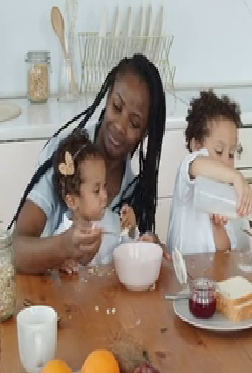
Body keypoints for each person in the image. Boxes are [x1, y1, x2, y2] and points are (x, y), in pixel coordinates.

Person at [9, 53, 166, 274]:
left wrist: (149, 245)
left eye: (134, 123)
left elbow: (127, 248)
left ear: (145, 132)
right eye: (117, 107)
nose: (120, 126)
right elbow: (16, 251)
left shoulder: (133, 187)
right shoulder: (66, 156)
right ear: (107, 97)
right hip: (44, 288)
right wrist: (63, 247)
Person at [166, 90, 252, 255]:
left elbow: (225, 250)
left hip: (210, 270)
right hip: (182, 269)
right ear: (196, 146)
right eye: (219, 151)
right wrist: (236, 176)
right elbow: (199, 165)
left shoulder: (225, 195)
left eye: (231, 154)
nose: (226, 162)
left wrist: (218, 227)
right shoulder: (187, 177)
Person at [51, 129, 139, 273]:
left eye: (105, 186)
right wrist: (62, 265)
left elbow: (128, 254)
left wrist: (130, 230)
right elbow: (51, 274)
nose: (105, 195)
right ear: (72, 201)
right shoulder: (62, 238)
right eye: (96, 190)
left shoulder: (112, 221)